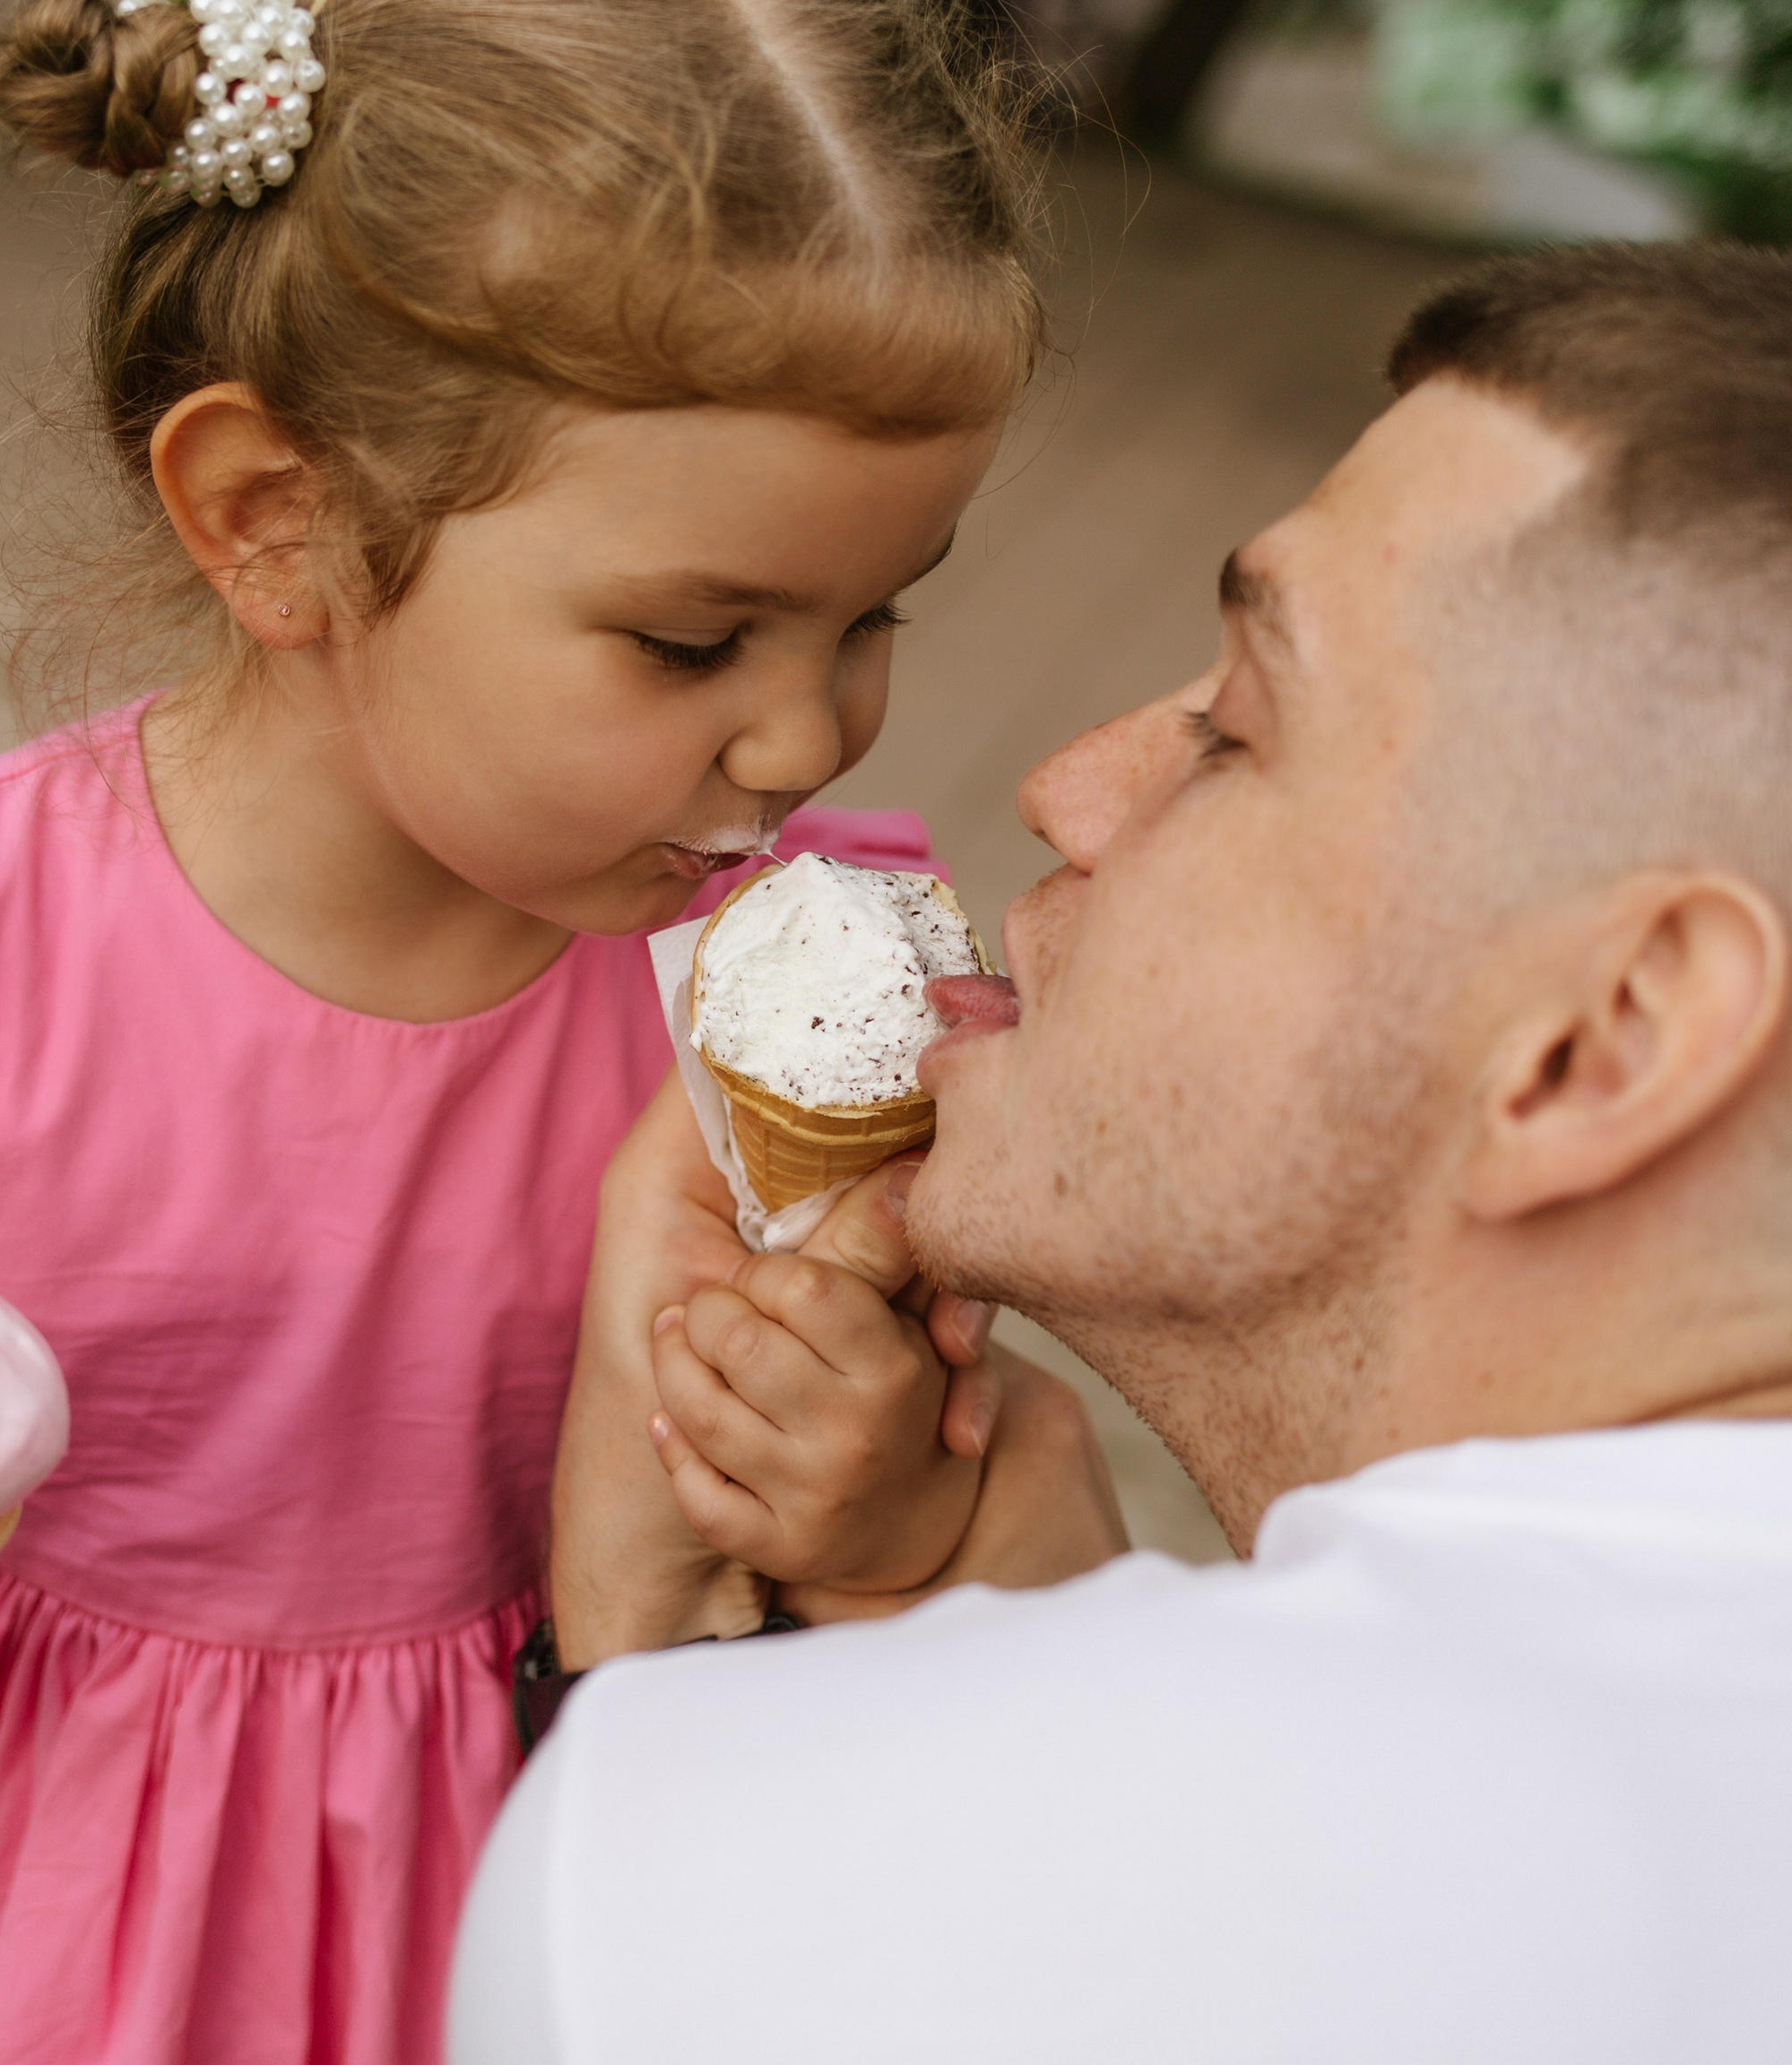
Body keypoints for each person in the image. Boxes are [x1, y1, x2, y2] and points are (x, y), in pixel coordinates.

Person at [0, 0, 1046, 2065]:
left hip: (467, 1908)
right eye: (695, 635)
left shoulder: (765, 1019)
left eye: (872, 614)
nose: (805, 731)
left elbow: (849, 1550)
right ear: (272, 520)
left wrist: (867, 1475)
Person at [451, 242, 1792, 2061]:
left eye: (1232, 725)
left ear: (1609, 1030)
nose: (1064, 782)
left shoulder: (721, 1879)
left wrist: (668, 1675)